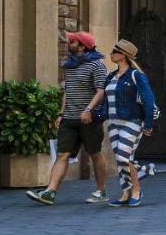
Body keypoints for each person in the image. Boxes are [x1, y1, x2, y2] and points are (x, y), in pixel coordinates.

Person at [27, 30, 109, 205]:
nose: (68, 44)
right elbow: (67, 91)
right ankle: (50, 192)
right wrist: (61, 114)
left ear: (82, 46)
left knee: (95, 154)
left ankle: (101, 191)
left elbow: (101, 91)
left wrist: (88, 110)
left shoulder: (97, 65)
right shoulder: (69, 66)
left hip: (89, 119)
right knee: (62, 155)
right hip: (69, 119)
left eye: (72, 42)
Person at [100, 39, 158, 207]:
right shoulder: (111, 76)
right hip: (113, 122)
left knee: (122, 156)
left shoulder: (135, 75)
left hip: (132, 121)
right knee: (122, 160)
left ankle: (139, 186)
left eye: (114, 52)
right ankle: (126, 192)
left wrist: (148, 123)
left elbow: (148, 99)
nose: (110, 54)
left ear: (123, 55)